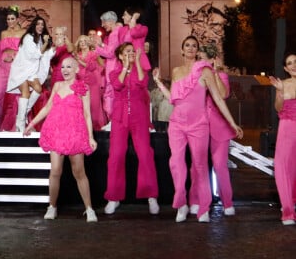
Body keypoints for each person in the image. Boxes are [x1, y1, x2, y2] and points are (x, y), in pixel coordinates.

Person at [152, 35, 243, 223]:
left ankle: (203, 208)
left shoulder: (205, 70)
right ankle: (181, 204)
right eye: (187, 45)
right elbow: (173, 99)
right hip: (177, 122)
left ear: (197, 50)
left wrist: (232, 123)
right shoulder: (176, 71)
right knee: (176, 163)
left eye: (194, 46)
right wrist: (159, 82)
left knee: (200, 166)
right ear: (183, 50)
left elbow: (218, 98)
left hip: (198, 124)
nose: (191, 48)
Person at [23, 56, 98, 222]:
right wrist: (31, 124)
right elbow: (48, 107)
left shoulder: (82, 88)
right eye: (63, 67)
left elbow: (87, 114)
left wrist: (90, 137)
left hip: (75, 133)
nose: (65, 70)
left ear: (77, 69)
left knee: (79, 172)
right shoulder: (57, 86)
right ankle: (52, 206)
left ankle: (89, 208)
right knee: (55, 170)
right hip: (56, 131)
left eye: (69, 67)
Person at [103, 42, 160, 216]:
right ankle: (113, 197)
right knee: (116, 156)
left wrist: (139, 61)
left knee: (145, 154)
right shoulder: (114, 72)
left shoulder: (140, 70)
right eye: (127, 52)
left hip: (139, 117)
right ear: (120, 56)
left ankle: (151, 196)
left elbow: (143, 83)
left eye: (132, 52)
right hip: (120, 118)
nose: (130, 54)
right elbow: (118, 85)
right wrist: (125, 67)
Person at [188, 43, 242, 216]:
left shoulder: (221, 75)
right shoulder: (194, 76)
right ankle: (195, 200)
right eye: (199, 59)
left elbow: (224, 94)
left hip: (220, 127)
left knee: (220, 166)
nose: (200, 62)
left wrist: (215, 74)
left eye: (203, 59)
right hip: (199, 126)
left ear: (212, 60)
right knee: (197, 165)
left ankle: (228, 203)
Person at [7, 15, 55, 132]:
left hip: (31, 72)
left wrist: (53, 47)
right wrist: (45, 44)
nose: (40, 26)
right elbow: (34, 55)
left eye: (42, 25)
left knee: (38, 88)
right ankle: (21, 123)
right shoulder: (28, 37)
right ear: (34, 25)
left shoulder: (40, 40)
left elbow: (46, 55)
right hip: (21, 70)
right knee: (25, 93)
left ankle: (21, 116)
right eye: (38, 24)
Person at [269, 51, 296, 225]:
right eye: (290, 63)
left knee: (293, 167)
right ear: (286, 68)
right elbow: (278, 108)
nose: (294, 65)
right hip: (287, 126)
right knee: (281, 166)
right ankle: (287, 211)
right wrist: (279, 92)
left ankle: (291, 200)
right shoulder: (283, 84)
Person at [0, 6, 25, 130]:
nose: (10, 21)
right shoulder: (3, 33)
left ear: (17, 19)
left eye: (12, 19)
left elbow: (24, 50)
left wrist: (14, 57)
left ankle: (16, 123)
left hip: (16, 64)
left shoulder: (23, 33)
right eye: (8, 19)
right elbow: (0, 52)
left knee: (16, 95)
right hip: (3, 65)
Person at [74, 34, 105, 130]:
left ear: (88, 42)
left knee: (94, 106)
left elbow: (91, 67)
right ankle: (83, 128)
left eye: (84, 41)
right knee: (81, 106)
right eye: (81, 41)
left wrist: (79, 60)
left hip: (92, 83)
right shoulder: (77, 54)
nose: (82, 43)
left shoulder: (92, 53)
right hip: (80, 82)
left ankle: (96, 128)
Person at [98, 11, 122, 118]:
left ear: (110, 21)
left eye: (103, 22)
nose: (102, 25)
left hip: (113, 69)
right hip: (115, 68)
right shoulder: (117, 32)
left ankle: (112, 121)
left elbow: (110, 53)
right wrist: (101, 44)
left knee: (110, 96)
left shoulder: (114, 33)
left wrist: (96, 47)